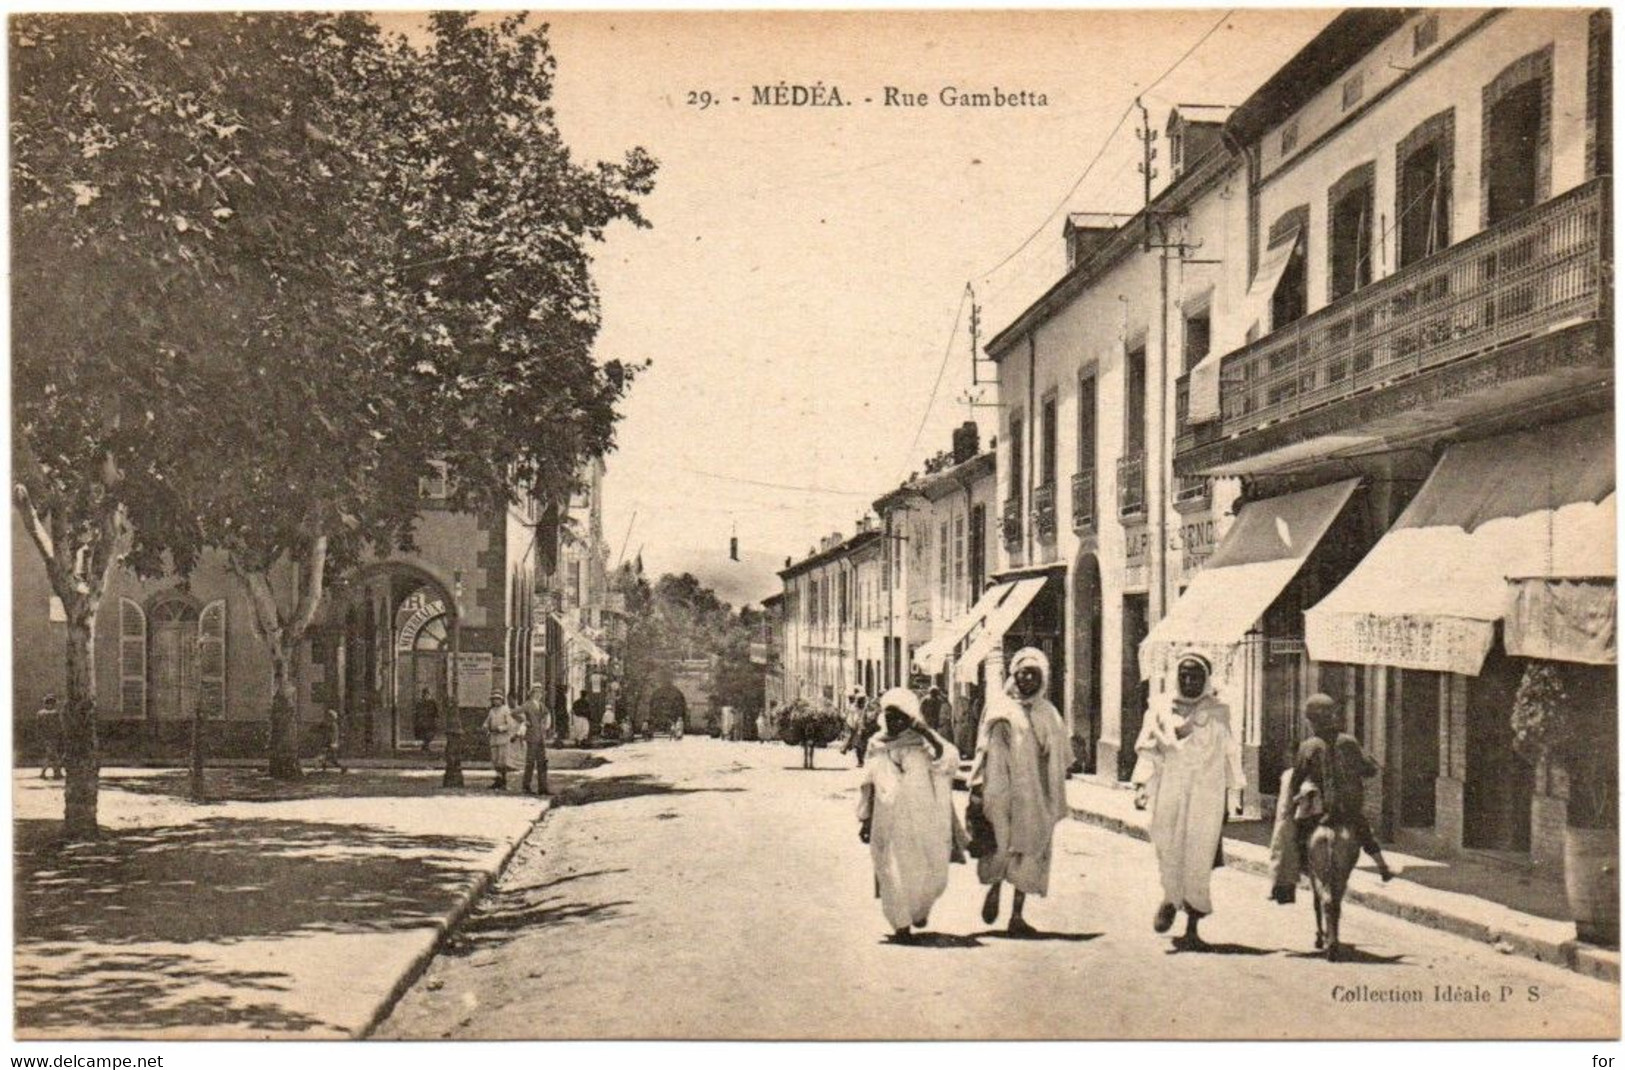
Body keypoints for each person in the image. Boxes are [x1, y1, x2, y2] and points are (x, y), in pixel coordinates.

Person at [1133, 652, 1246, 950]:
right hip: (1169, 789)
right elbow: (1147, 747)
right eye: (1183, 675)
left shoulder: (1219, 711)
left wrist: (1234, 794)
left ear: (1205, 678)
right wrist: (1141, 785)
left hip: (1205, 795)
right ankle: (1171, 898)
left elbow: (1230, 754)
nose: (1188, 680)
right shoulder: (1159, 707)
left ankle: (1192, 925)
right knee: (1167, 847)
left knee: (1198, 856)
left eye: (1195, 675)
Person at [973, 648, 1070, 935]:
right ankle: (994, 889)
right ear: (1013, 674)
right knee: (1001, 844)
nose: (1027, 678)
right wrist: (977, 784)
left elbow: (1060, 756)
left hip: (1033, 794)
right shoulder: (999, 708)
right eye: (1022, 672)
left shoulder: (1048, 713)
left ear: (1042, 679)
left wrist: (1052, 789)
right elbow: (982, 748)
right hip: (999, 789)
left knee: (1029, 851)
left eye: (1034, 674)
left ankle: (1017, 914)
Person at [857, 688, 963, 942]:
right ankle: (901, 923)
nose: (894, 722)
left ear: (910, 718)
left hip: (921, 816)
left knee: (927, 870)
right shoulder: (877, 744)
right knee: (888, 866)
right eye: (889, 716)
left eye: (900, 717)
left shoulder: (923, 744)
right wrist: (865, 817)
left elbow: (948, 760)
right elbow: (868, 783)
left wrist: (924, 730)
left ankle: (918, 909)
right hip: (887, 818)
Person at [1291, 693, 1394, 882]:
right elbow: (1368, 770)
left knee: (1299, 829)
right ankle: (1383, 867)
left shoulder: (1308, 746)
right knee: (1363, 830)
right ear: (1332, 717)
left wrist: (1295, 797)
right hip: (1350, 803)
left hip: (1322, 806)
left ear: (1310, 721)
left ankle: (1302, 868)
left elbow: (1297, 778)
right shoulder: (1348, 741)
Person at [483, 691, 518, 790]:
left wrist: (500, 728)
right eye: (493, 699)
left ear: (501, 700)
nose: (495, 701)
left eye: (497, 699)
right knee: (495, 759)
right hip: (494, 738)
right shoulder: (492, 711)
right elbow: (487, 721)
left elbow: (510, 724)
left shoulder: (506, 710)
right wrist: (485, 727)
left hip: (503, 738)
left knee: (502, 760)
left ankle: (503, 780)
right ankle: (498, 779)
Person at [35, 694, 63, 780]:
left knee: (52, 755)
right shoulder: (55, 713)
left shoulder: (40, 713)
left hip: (44, 737)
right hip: (53, 737)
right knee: (52, 755)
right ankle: (52, 772)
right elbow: (59, 726)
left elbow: (38, 726)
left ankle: (56, 772)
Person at [316, 708, 347, 773]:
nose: (327, 718)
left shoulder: (332, 725)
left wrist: (332, 742)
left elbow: (333, 735)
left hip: (331, 743)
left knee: (331, 758)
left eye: (328, 716)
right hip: (330, 743)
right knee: (324, 755)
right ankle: (324, 768)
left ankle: (342, 767)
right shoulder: (331, 725)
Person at [412, 688, 438, 753]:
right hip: (422, 722)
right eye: (424, 695)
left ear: (429, 695)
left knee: (430, 734)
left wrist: (435, 717)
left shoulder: (432, 702)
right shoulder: (420, 703)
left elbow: (436, 711)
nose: (426, 696)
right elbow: (416, 712)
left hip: (430, 721)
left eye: (427, 694)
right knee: (422, 734)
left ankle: (426, 746)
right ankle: (424, 747)